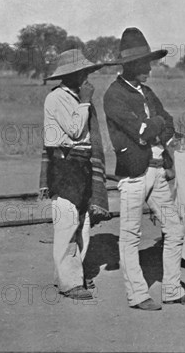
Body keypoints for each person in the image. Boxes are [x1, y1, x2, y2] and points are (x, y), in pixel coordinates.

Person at [104, 27, 185, 310]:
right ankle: (137, 294)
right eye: (145, 63)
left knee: (175, 229)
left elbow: (166, 123)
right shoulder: (114, 96)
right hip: (134, 174)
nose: (149, 68)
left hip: (157, 171)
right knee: (131, 234)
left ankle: (172, 290)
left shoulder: (146, 92)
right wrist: (155, 125)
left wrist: (155, 126)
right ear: (131, 66)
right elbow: (143, 131)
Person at [39, 49, 111, 300]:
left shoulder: (76, 96)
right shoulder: (58, 98)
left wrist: (83, 100)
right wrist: (85, 101)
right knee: (67, 221)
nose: (86, 76)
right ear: (70, 75)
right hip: (65, 163)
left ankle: (74, 273)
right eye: (82, 72)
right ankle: (69, 282)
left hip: (81, 164)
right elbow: (74, 130)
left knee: (84, 223)